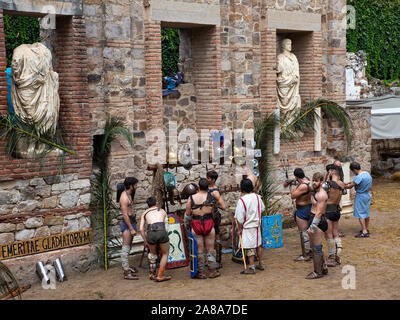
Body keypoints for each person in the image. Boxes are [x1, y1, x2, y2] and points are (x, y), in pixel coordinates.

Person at [185, 178, 220, 279]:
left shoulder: (191, 198)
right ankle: (213, 271)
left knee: (199, 249)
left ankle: (201, 273)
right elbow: (215, 212)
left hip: (196, 224)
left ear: (198, 187)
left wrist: (187, 225)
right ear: (207, 187)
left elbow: (187, 214)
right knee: (210, 248)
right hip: (209, 223)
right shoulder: (211, 197)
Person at [235, 179, 265, 274]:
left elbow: (239, 218)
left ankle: (251, 267)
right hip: (256, 225)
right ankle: (261, 263)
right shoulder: (257, 197)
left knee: (249, 246)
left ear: (242, 188)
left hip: (248, 226)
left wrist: (239, 229)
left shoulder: (242, 200)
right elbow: (262, 208)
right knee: (258, 245)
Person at [139, 197, 172, 282]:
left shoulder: (144, 213)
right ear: (156, 203)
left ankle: (152, 274)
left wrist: (145, 241)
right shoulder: (162, 211)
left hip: (151, 233)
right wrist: (164, 236)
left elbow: (141, 229)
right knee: (165, 253)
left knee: (152, 253)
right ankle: (160, 275)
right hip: (161, 231)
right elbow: (166, 227)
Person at [283, 168, 312, 262]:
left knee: (303, 232)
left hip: (303, 210)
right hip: (309, 208)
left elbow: (293, 195)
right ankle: (309, 251)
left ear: (296, 176)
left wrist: (294, 186)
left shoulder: (302, 186)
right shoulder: (308, 181)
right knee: (309, 231)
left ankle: (305, 255)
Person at [306, 172, 329, 279]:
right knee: (314, 245)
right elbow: (307, 185)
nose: (314, 183)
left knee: (316, 247)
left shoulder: (321, 194)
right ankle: (324, 267)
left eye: (316, 181)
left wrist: (312, 227)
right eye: (313, 180)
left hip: (318, 221)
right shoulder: (315, 190)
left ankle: (318, 272)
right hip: (313, 218)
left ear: (321, 182)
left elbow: (319, 212)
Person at [344, 162, 373, 238]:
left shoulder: (358, 177)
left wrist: (342, 186)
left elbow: (350, 186)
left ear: (354, 170)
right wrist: (350, 182)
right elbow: (356, 182)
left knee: (361, 214)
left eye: (353, 171)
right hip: (367, 195)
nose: (353, 173)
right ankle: (366, 228)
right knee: (366, 212)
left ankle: (364, 231)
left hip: (361, 196)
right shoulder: (366, 173)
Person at [324, 165, 345, 267]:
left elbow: (324, 190)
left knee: (329, 235)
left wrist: (327, 177)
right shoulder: (342, 184)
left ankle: (332, 257)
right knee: (336, 233)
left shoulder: (328, 184)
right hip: (336, 211)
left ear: (332, 172)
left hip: (328, 211)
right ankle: (338, 256)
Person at [119, 177, 139, 280]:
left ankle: (126, 266)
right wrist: (131, 228)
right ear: (131, 186)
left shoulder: (129, 194)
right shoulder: (124, 197)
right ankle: (126, 272)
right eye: (135, 185)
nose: (136, 186)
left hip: (131, 222)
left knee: (129, 246)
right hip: (127, 224)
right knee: (125, 248)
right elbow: (125, 215)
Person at [206, 170, 226, 268]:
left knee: (216, 237)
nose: (207, 179)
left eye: (209, 178)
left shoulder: (215, 191)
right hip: (206, 216)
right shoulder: (205, 188)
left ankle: (218, 260)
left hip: (214, 216)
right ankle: (209, 260)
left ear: (213, 180)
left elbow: (223, 206)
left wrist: (214, 205)